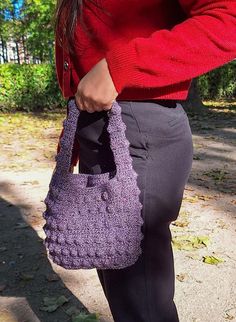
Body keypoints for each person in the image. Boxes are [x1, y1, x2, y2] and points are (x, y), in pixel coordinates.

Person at [54, 1, 236, 321]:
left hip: (137, 128)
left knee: (141, 298)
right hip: (101, 127)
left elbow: (228, 20)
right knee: (119, 281)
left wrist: (119, 67)